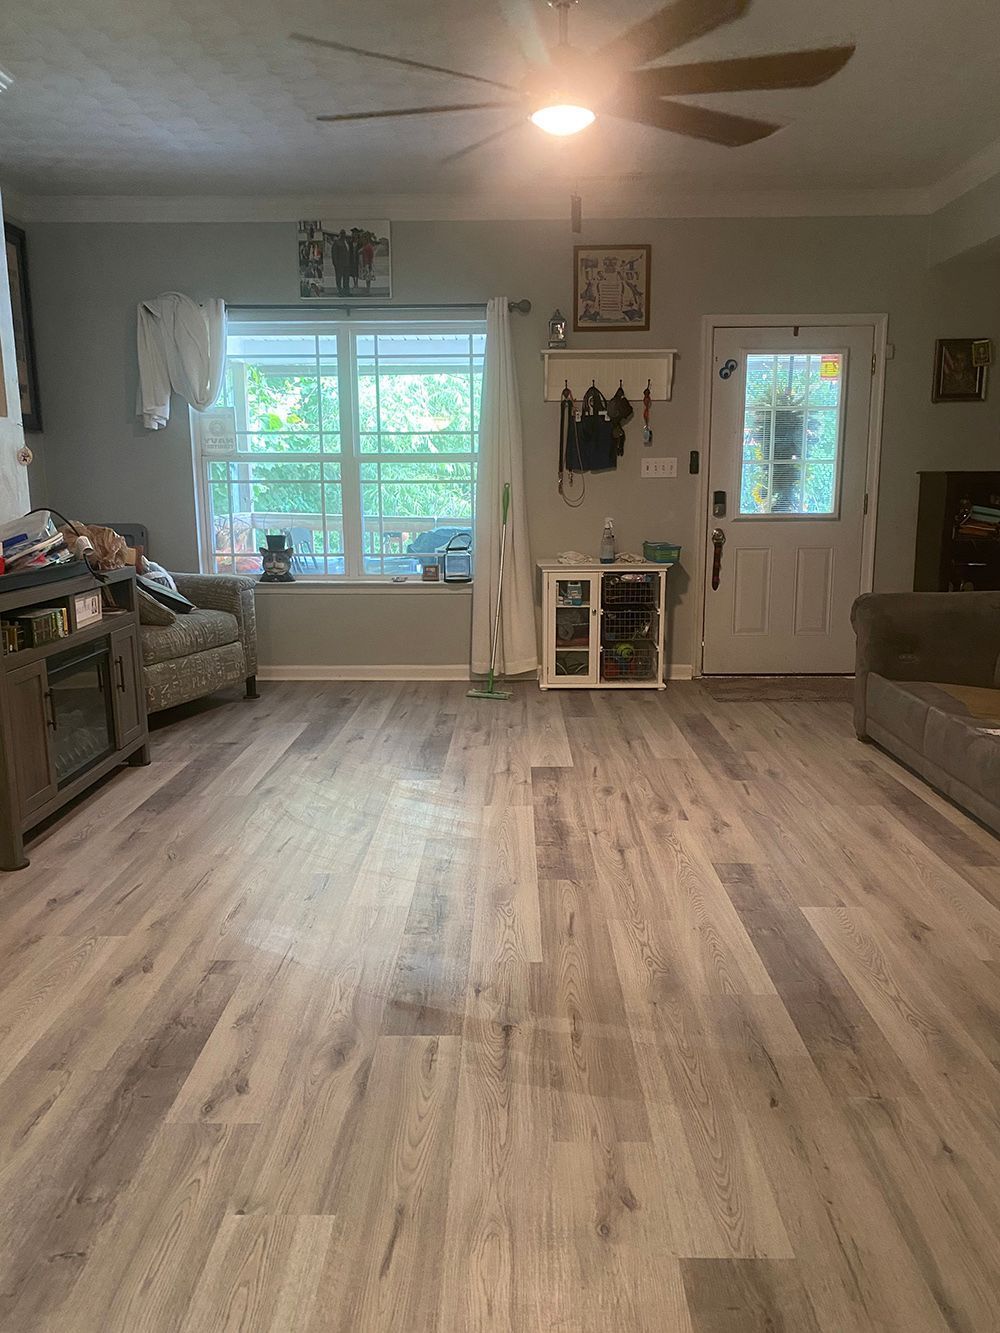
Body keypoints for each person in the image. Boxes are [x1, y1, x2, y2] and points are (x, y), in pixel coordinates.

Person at [331, 230, 351, 296]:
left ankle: (346, 291)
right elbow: (334, 254)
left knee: (346, 278)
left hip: (347, 264)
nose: (343, 235)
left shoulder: (346, 242)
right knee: (339, 278)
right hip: (339, 264)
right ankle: (340, 291)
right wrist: (335, 263)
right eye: (342, 234)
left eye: (344, 234)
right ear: (340, 234)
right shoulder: (337, 242)